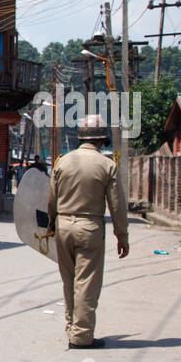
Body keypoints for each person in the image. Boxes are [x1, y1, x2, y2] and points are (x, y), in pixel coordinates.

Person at [46, 114, 129, 349]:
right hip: (90, 228)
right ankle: (81, 337)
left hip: (63, 225)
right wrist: (122, 237)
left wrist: (51, 226)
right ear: (102, 140)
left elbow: (51, 199)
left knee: (69, 281)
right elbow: (117, 206)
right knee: (86, 283)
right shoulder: (107, 165)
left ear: (81, 137)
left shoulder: (62, 161)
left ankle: (72, 329)